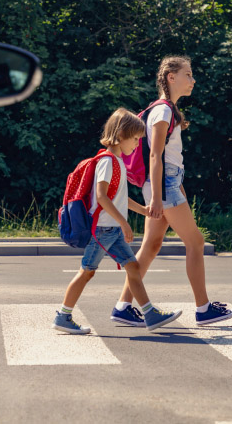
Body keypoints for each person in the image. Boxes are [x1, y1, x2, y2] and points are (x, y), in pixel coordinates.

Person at [110, 56, 232, 327]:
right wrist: (158, 197)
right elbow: (156, 156)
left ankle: (123, 306)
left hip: (166, 183)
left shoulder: (166, 111)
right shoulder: (164, 111)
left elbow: (167, 157)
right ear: (171, 77)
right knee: (195, 243)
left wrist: (172, 187)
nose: (193, 80)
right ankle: (204, 309)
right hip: (162, 185)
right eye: (188, 74)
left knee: (151, 245)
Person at [53, 108, 183, 335]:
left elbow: (119, 198)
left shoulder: (117, 162)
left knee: (132, 267)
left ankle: (149, 313)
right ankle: (63, 316)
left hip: (110, 229)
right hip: (104, 229)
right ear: (120, 135)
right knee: (87, 272)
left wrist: (143, 210)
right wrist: (124, 223)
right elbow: (102, 197)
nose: (136, 145)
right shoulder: (107, 161)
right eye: (134, 139)